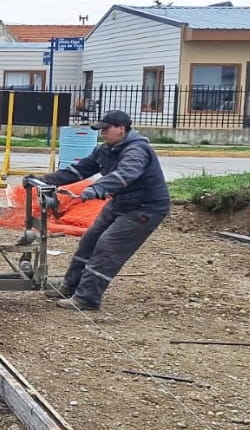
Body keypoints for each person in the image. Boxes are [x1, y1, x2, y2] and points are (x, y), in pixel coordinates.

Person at [27, 109, 169, 312]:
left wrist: (96, 189)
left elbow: (125, 174)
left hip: (145, 208)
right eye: (101, 130)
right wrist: (44, 180)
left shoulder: (136, 150)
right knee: (89, 240)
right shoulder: (106, 149)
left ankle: (87, 298)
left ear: (122, 129)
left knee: (108, 246)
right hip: (120, 203)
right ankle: (70, 286)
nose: (103, 134)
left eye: (106, 130)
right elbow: (79, 170)